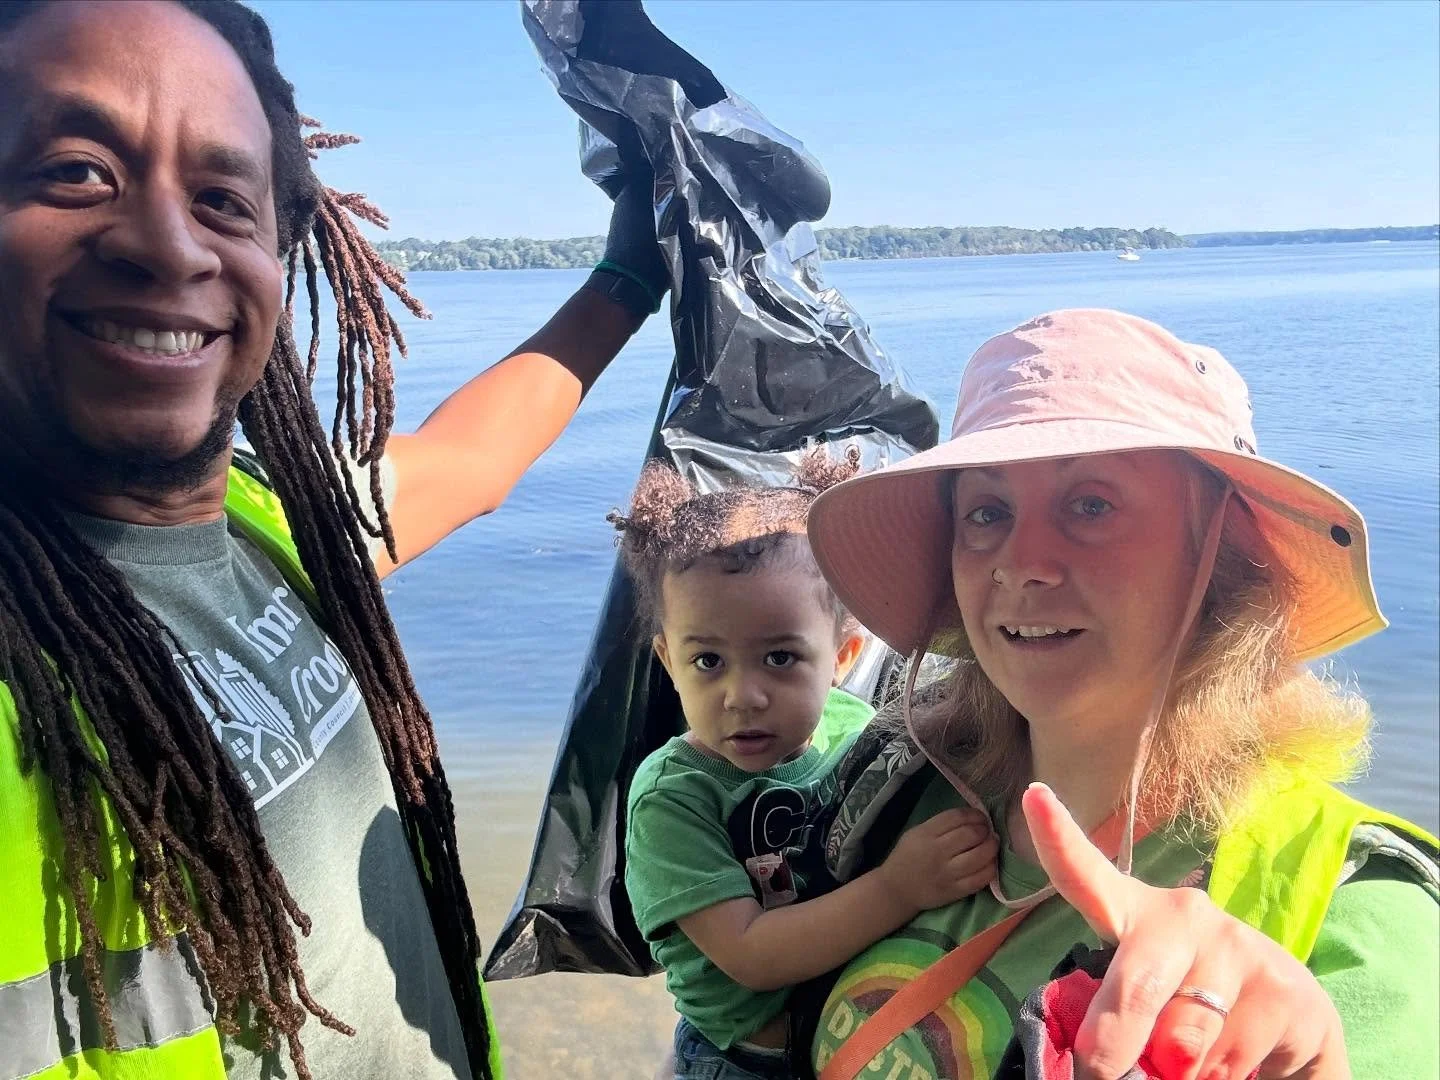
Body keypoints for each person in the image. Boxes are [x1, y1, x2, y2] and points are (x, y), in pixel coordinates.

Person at [0, 2, 670, 1079]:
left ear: (281, 248)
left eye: (222, 199)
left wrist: (629, 276)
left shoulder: (267, 524)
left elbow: (470, 463)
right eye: (77, 171)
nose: (170, 246)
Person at [802, 309, 1439, 1079]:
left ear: (1219, 560)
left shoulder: (1358, 911)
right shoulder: (912, 791)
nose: (1020, 562)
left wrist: (1315, 1061)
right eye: (987, 512)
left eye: (1092, 504)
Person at [612, 453, 1001, 1080]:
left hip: (843, 1026)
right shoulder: (673, 799)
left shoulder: (854, 727)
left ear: (843, 653)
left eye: (781, 657)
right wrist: (899, 889)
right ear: (668, 660)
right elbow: (752, 953)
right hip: (744, 1060)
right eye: (708, 661)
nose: (743, 695)